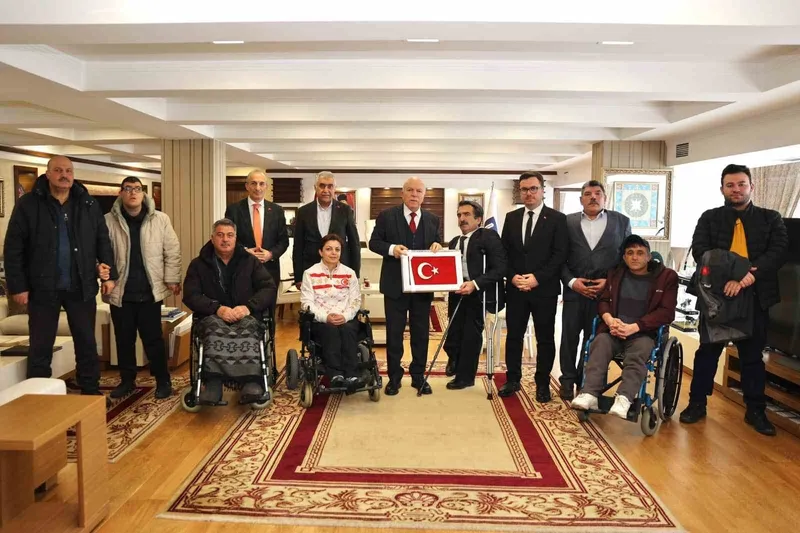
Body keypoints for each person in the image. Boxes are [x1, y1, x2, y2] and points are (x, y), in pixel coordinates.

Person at [680, 164, 788, 436]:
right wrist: (730, 277)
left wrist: (746, 278)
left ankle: (755, 411)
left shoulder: (771, 218)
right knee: (707, 353)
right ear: (722, 189)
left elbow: (778, 252)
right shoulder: (709, 218)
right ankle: (697, 403)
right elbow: (701, 252)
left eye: (741, 184)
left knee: (752, 358)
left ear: (752, 186)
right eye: (730, 185)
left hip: (755, 296)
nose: (736, 189)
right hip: (716, 296)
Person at [3, 155, 117, 396]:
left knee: (86, 341)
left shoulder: (87, 203)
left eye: (68, 171)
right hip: (42, 287)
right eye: (58, 170)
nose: (64, 175)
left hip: (81, 285)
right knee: (40, 344)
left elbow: (102, 240)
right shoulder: (28, 204)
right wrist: (18, 286)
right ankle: (38, 394)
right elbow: (13, 247)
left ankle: (90, 390)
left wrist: (109, 275)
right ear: (48, 174)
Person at [571, 235, 678, 418]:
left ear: (648, 256)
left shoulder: (666, 277)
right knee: (599, 343)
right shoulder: (616, 274)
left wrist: (635, 327)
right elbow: (603, 301)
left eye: (640, 253)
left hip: (643, 334)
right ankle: (590, 393)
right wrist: (610, 320)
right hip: (613, 331)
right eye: (630, 253)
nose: (634, 257)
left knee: (638, 352)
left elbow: (667, 313)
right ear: (624, 257)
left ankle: (624, 398)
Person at [103, 176, 181, 400]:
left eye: (137, 189)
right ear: (121, 193)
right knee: (123, 340)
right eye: (128, 189)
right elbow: (101, 252)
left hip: (149, 292)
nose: (133, 193)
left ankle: (163, 381)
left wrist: (172, 278)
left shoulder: (160, 219)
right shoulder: (108, 221)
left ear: (143, 193)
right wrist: (103, 274)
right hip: (121, 292)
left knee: (153, 340)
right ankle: (127, 381)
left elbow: (172, 251)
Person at [182, 218, 277, 403]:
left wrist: (248, 307)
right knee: (212, 328)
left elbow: (268, 288)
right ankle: (213, 383)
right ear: (212, 238)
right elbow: (191, 295)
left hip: (246, 314)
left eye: (229, 235)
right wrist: (217, 309)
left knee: (250, 327)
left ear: (235, 238)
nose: (225, 239)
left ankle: (251, 381)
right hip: (212, 315)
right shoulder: (198, 264)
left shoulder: (250, 261)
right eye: (220, 235)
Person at [368, 177, 442, 396]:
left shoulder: (432, 219)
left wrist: (437, 245)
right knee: (394, 334)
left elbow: (436, 242)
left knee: (421, 334)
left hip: (422, 288)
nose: (414, 194)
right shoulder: (386, 216)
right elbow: (374, 243)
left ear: (424, 195)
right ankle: (394, 378)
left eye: (419, 191)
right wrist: (392, 249)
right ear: (402, 193)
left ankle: (419, 377)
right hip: (395, 287)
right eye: (410, 190)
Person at [559, 180, 631, 400]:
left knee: (594, 339)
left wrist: (609, 282)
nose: (593, 197)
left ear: (605, 198)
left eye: (598, 193)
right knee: (569, 338)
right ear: (581, 199)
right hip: (574, 291)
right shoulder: (567, 222)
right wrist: (571, 282)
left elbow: (626, 259)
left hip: (604, 295)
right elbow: (558, 257)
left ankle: (586, 382)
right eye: (588, 193)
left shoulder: (621, 221)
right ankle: (567, 380)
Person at [500, 171, 568, 402]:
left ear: (542, 190)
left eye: (533, 188)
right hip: (516, 289)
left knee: (545, 339)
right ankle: (512, 380)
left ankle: (542, 384)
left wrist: (537, 278)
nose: (528, 193)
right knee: (513, 337)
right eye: (524, 189)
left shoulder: (557, 219)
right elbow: (504, 254)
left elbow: (559, 255)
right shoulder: (511, 218)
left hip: (544, 290)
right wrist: (512, 277)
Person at [443, 201, 507, 389]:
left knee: (470, 336)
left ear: (478, 219)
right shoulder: (454, 241)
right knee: (453, 332)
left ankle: (465, 377)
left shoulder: (488, 236)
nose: (462, 219)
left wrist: (475, 284)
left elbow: (500, 268)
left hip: (479, 293)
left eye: (466, 215)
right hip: (457, 292)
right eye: (459, 215)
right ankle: (454, 358)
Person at [300, 234, 363, 389]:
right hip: (321, 320)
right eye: (329, 249)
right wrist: (325, 317)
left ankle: (352, 375)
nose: (333, 253)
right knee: (330, 330)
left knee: (348, 329)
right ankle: (336, 374)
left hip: (345, 318)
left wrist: (345, 316)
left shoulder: (350, 273)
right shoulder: (310, 273)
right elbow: (306, 303)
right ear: (320, 252)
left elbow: (355, 301)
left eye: (337, 249)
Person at [293, 171, 361, 287]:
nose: (326, 190)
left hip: (340, 271)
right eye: (322, 186)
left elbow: (354, 243)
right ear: (315, 187)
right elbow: (298, 246)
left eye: (330, 186)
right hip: (311, 270)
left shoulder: (345, 210)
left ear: (334, 188)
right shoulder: (303, 212)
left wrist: (355, 274)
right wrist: (298, 277)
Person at [224, 169, 289, 286]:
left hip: (270, 271)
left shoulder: (277, 211)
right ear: (247, 186)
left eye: (261, 184)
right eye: (253, 183)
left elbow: (283, 241)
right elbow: (229, 239)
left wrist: (271, 254)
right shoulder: (233, 210)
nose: (258, 188)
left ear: (266, 186)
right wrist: (244, 252)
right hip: (242, 269)